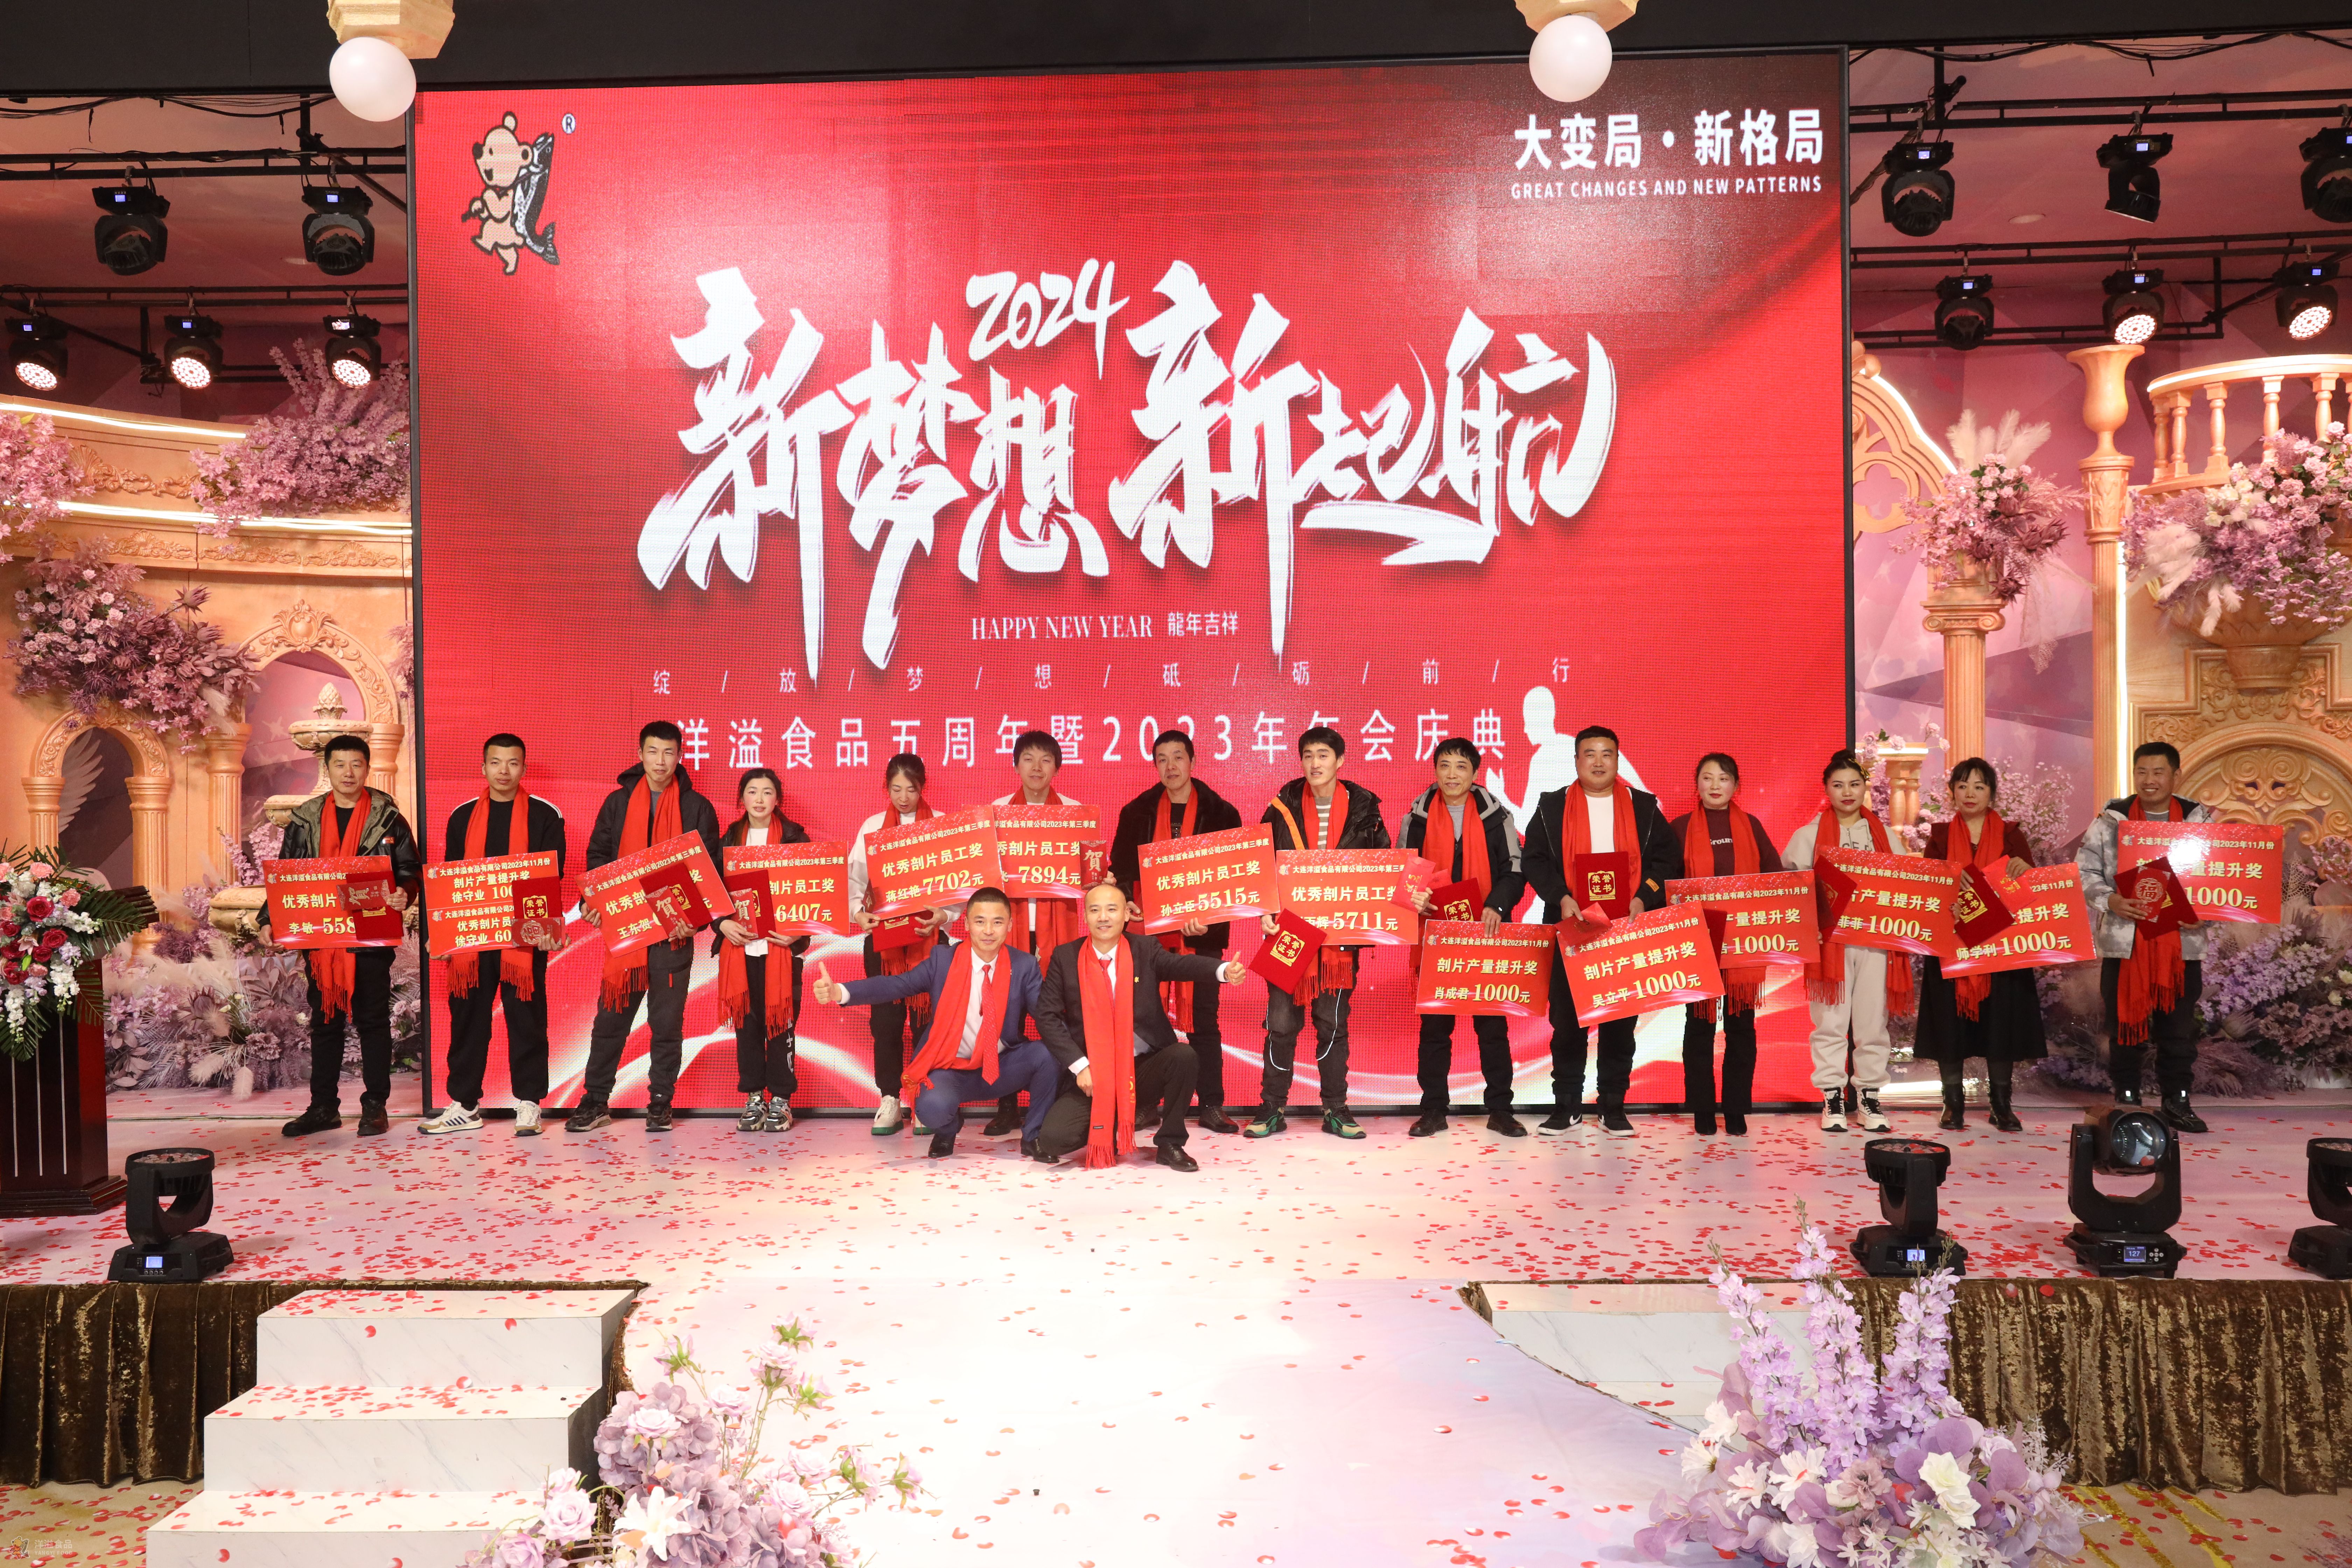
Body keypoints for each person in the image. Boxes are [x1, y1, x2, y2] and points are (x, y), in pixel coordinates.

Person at [570, 720, 737, 1134]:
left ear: (680, 756)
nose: (661, 761)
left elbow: (710, 871)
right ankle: (595, 1100)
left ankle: (661, 1103)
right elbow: (598, 856)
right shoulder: (618, 803)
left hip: (673, 934)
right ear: (640, 754)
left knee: (666, 1025)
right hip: (627, 933)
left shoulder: (698, 807)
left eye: (669, 753)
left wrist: (698, 918)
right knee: (610, 1023)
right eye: (653, 751)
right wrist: (593, 902)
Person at [810, 887, 1057, 1158]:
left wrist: (1080, 1060)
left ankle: (1034, 1137)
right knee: (932, 1109)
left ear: (1009, 926)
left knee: (1049, 1055)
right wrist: (840, 992)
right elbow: (897, 984)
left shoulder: (1023, 965)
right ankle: (948, 1129)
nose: (989, 931)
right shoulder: (943, 960)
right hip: (952, 1069)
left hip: (1002, 1066)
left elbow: (1046, 1016)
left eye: (997, 922)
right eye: (980, 921)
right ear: (967, 924)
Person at [1520, 725, 1675, 1138]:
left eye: (1608, 754)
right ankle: (1567, 1106)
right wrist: (1561, 896)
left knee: (1620, 1023)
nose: (1599, 762)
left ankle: (1613, 1106)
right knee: (1568, 1023)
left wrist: (1645, 896)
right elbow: (1534, 859)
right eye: (1590, 754)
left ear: (1618, 760)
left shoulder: (1642, 807)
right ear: (1576, 760)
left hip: (1626, 928)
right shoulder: (1552, 806)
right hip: (1570, 926)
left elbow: (1666, 860)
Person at [1034, 880, 1249, 1170]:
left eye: (1112, 909)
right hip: (1094, 1073)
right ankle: (1111, 1122)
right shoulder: (1066, 956)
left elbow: (1180, 966)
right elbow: (1046, 1015)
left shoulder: (1145, 948)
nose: (1103, 917)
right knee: (1054, 1140)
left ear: (1126, 914)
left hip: (1143, 1069)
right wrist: (1080, 1066)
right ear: (1085, 916)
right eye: (1095, 910)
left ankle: (1170, 1144)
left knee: (1183, 1056)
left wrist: (1223, 970)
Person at [274, 734, 424, 1138]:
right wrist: (271, 917)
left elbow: (410, 870)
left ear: (367, 768)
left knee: (372, 1021)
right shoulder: (305, 819)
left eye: (357, 764)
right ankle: (323, 1107)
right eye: (340, 764)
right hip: (323, 935)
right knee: (326, 1022)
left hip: (371, 930)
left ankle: (375, 1105)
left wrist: (404, 891)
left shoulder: (388, 818)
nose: (348, 773)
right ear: (328, 769)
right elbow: (287, 874)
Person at [1243, 726, 1388, 1141]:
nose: (1314, 763)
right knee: (1281, 1024)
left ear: (1340, 761)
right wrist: (1264, 910)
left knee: (1333, 1024)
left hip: (1338, 938)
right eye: (1308, 755)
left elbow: (1384, 867)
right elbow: (1261, 863)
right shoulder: (1283, 805)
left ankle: (1336, 1108)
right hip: (1288, 931)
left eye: (1323, 755)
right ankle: (1272, 1107)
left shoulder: (1366, 809)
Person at [422, 732, 567, 1138]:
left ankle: (529, 1102)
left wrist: (549, 929)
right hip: (473, 936)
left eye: (513, 763)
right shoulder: (462, 816)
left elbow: (550, 878)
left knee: (527, 1020)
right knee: (468, 1019)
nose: (504, 771)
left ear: (524, 767)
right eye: (496, 762)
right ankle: (465, 1104)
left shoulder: (545, 815)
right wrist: (441, 934)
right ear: (483, 767)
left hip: (524, 938)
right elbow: (450, 882)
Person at [1110, 728, 1246, 1135]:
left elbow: (1234, 879)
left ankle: (1212, 1104)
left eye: (1178, 757)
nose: (1170, 766)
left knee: (1204, 1020)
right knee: (1145, 1021)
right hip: (1146, 936)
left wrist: (1210, 919)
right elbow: (1120, 870)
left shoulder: (1223, 813)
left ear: (1193, 761)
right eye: (1162, 759)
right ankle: (1146, 1104)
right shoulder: (1136, 812)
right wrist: (1126, 901)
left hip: (1202, 936)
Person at [2076, 741, 2216, 1133]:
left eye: (2158, 772)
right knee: (2125, 1026)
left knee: (2179, 1030)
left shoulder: (2199, 823)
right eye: (2142, 772)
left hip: (2181, 946)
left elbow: (2219, 880)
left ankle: (2177, 1100)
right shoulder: (2111, 820)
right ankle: (2127, 1100)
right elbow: (2084, 871)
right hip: (2126, 943)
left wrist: (2203, 914)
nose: (2149, 780)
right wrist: (2111, 901)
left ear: (2176, 775)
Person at [1399, 736, 1528, 1138]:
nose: (1452, 774)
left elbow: (1515, 870)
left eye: (1461, 766)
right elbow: (1402, 874)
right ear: (1435, 771)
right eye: (1445, 765)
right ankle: (1433, 1110)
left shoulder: (1496, 816)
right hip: (1436, 938)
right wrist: (1415, 898)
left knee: (1493, 1030)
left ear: (1475, 774)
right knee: (1435, 1031)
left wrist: (1497, 906)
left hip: (1485, 936)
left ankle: (1501, 1110)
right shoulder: (1417, 818)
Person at [1783, 750, 1910, 1134]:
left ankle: (1869, 1097)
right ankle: (1833, 1097)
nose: (1848, 792)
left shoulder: (1885, 836)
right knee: (1831, 1023)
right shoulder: (1807, 836)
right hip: (1830, 946)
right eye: (1838, 785)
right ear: (1827, 790)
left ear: (1865, 788)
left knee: (1873, 1023)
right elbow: (1791, 889)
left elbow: (1907, 883)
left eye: (1855, 784)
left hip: (1876, 943)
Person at [1917, 757, 2042, 1133]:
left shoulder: (2011, 835)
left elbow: (2032, 888)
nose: (1970, 793)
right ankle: (1952, 1104)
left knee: (2000, 1025)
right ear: (1952, 793)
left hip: (2001, 949)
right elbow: (1927, 889)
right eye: (1962, 786)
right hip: (1953, 946)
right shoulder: (1940, 837)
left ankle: (2001, 1105)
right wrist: (1949, 883)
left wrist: (2026, 870)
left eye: (1979, 786)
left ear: (1992, 794)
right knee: (1949, 1026)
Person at [1664, 752, 1782, 1137]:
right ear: (1697, 784)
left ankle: (1735, 1109)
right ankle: (1702, 1109)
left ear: (1736, 785)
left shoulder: (1752, 826)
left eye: (1724, 778)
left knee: (1742, 1029)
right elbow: (1666, 885)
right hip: (1698, 942)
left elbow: (1776, 878)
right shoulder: (1680, 828)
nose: (1715, 785)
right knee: (1699, 1028)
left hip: (1744, 944)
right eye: (1708, 778)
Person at [980, 729, 1086, 1141]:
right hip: (1008, 930)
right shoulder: (996, 813)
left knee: (1059, 1018)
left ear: (1057, 767)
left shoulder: (1074, 814)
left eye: (1046, 760)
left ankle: (1058, 1102)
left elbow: (1091, 872)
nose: (1037, 767)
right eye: (1028, 759)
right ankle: (1006, 1105)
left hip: (1058, 929)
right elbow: (982, 873)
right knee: (1005, 1018)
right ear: (1016, 765)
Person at [847, 752, 957, 1135]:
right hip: (885, 943)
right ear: (887, 789)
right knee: (886, 1022)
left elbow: (958, 885)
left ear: (922, 787)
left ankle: (925, 1099)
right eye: (896, 789)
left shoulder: (941, 826)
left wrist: (944, 916)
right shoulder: (873, 827)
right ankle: (890, 1099)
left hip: (930, 942)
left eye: (911, 789)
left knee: (928, 1021)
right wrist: (858, 913)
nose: (904, 797)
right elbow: (855, 882)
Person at [719, 767, 811, 1133]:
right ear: (741, 798)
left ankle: (782, 1100)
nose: (759, 799)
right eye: (752, 791)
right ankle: (754, 1098)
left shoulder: (794, 838)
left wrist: (797, 935)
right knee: (748, 1030)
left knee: (782, 1029)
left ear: (778, 799)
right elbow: (710, 892)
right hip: (740, 952)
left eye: (767, 792)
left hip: (781, 953)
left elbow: (813, 893)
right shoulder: (728, 839)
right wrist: (721, 924)